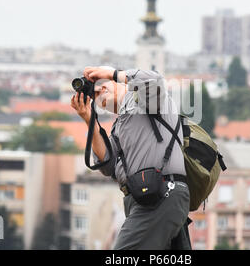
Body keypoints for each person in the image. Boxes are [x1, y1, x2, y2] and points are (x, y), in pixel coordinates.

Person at [71, 66, 191, 250]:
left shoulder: (149, 102)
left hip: (161, 195)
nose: (99, 91)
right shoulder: (120, 125)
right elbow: (106, 164)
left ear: (123, 83)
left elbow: (153, 80)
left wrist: (111, 73)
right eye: (95, 94)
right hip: (143, 200)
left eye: (104, 85)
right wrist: (89, 120)